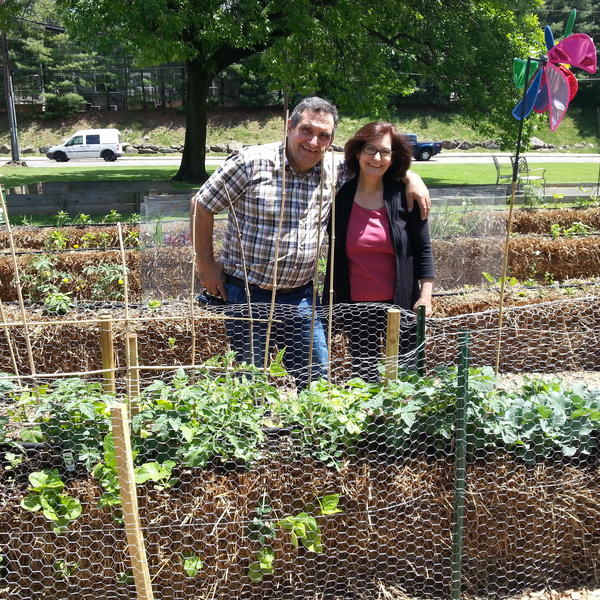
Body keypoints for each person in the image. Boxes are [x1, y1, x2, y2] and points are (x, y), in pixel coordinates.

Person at [190, 97, 431, 387]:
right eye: (307, 130)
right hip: (246, 293)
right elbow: (201, 204)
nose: (314, 142)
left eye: (324, 135)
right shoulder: (251, 163)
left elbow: (376, 164)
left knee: (316, 382)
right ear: (289, 126)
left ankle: (307, 431)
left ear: (332, 140)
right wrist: (205, 264)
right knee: (250, 381)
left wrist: (410, 176)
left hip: (300, 297)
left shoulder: (335, 170)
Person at [323, 121, 435, 382]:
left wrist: (426, 296)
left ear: (393, 157)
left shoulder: (405, 196)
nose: (376, 157)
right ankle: (373, 424)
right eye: (370, 149)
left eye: (385, 152)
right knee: (366, 379)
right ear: (358, 153)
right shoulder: (340, 197)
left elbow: (423, 249)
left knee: (405, 379)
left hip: (402, 305)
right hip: (357, 308)